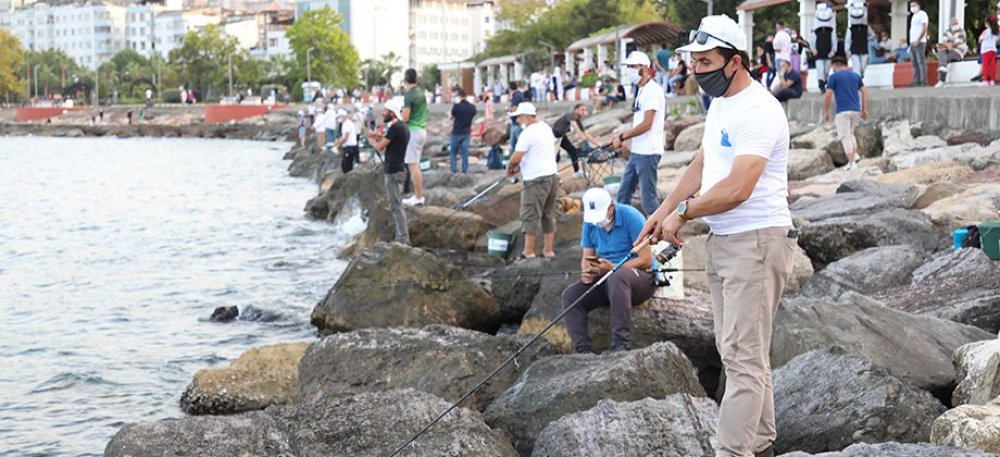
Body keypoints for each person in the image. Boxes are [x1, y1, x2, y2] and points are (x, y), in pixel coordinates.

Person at [644, 14, 796, 457]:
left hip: (757, 240)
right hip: (725, 241)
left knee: (743, 357)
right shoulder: (722, 105)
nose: (697, 70)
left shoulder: (760, 109)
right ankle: (762, 444)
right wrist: (663, 210)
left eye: (706, 61)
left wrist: (684, 215)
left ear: (735, 62)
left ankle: (731, 451)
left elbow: (738, 186)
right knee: (738, 352)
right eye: (693, 61)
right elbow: (706, 162)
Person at [561, 187, 654, 354]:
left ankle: (620, 342)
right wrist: (587, 272)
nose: (597, 222)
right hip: (608, 277)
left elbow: (646, 260)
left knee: (617, 277)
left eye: (600, 217)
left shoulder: (631, 217)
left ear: (611, 207)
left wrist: (614, 267)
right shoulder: (590, 223)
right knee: (570, 295)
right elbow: (586, 256)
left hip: (640, 278)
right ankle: (583, 350)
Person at [612, 51, 666, 216]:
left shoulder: (652, 90)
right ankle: (626, 232)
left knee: (648, 201)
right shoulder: (641, 90)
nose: (629, 70)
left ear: (644, 69)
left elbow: (647, 124)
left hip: (648, 153)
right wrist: (627, 142)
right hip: (638, 152)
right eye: (628, 67)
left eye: (632, 66)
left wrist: (622, 136)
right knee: (622, 196)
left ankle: (663, 234)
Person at [506, 102, 559, 259]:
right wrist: (520, 166)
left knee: (530, 215)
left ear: (525, 116)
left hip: (535, 179)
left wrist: (510, 168)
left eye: (518, 117)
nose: (516, 121)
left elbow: (517, 156)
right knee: (548, 214)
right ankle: (548, 251)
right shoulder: (545, 128)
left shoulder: (527, 133)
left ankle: (528, 252)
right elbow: (537, 153)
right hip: (552, 175)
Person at [366, 98, 411, 245]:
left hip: (393, 171)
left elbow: (381, 147)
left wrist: (371, 141)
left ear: (392, 113)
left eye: (385, 111)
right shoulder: (403, 127)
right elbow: (391, 140)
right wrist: (378, 136)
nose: (383, 113)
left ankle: (403, 238)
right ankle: (402, 236)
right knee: (397, 204)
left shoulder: (395, 128)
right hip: (400, 169)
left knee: (395, 206)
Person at [825, 56, 870, 170]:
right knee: (850, 133)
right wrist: (864, 109)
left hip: (842, 110)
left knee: (845, 136)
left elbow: (828, 95)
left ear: (835, 65)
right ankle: (855, 156)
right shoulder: (855, 76)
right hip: (856, 110)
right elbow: (865, 92)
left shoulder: (833, 77)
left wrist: (826, 111)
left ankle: (851, 163)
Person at [552, 103, 603, 175]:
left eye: (585, 110)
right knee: (555, 155)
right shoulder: (569, 115)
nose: (584, 112)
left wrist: (598, 144)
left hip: (562, 137)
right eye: (582, 110)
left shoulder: (578, 120)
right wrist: (582, 137)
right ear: (576, 110)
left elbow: (586, 133)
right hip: (553, 136)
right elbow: (575, 126)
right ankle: (554, 173)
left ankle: (577, 171)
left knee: (573, 151)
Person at [401, 68, 428, 206]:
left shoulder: (409, 94)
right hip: (422, 130)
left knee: (413, 166)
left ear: (405, 80)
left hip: (413, 131)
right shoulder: (421, 93)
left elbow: (405, 118)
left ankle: (418, 197)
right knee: (415, 164)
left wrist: (398, 117)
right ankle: (418, 195)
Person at [812, 1, 839, 93]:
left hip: (828, 51)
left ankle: (825, 81)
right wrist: (813, 49)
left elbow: (834, 40)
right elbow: (813, 41)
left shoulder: (831, 31)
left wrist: (833, 50)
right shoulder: (815, 31)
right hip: (818, 52)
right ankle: (821, 85)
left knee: (827, 69)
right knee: (820, 69)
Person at [449, 88, 477, 173]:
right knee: (465, 152)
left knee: (453, 151)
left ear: (459, 96)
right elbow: (473, 114)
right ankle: (465, 169)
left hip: (456, 132)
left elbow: (452, 115)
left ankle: (454, 169)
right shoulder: (472, 107)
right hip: (466, 132)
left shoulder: (457, 106)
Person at [937, 17, 969, 86]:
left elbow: (957, 43)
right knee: (941, 52)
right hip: (948, 49)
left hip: (958, 51)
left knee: (944, 58)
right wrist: (948, 46)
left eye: (956, 23)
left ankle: (941, 79)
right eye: (953, 24)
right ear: (950, 24)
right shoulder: (947, 31)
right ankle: (943, 69)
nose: (955, 25)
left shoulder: (961, 31)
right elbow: (944, 41)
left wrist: (949, 45)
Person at [910, 1, 930, 87]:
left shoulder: (922, 14)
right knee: (914, 63)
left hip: (920, 42)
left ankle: (923, 81)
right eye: (911, 6)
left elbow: (924, 27)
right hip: (912, 42)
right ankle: (916, 81)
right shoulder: (914, 16)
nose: (912, 7)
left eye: (914, 5)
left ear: (918, 6)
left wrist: (918, 39)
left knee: (921, 62)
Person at [334, 109, 359, 173]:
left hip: (350, 147)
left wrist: (338, 145)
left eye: (340, 117)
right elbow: (343, 136)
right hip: (349, 147)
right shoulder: (345, 124)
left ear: (343, 116)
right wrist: (338, 141)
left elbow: (345, 138)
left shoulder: (347, 124)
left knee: (346, 166)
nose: (339, 119)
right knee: (345, 165)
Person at [507, 81, 527, 157]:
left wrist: (509, 109)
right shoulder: (519, 95)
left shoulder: (516, 96)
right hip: (517, 123)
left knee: (516, 144)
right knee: (515, 144)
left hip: (517, 123)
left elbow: (515, 107)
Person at [980, 18, 999, 86]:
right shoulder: (996, 31)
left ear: (988, 23)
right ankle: (992, 80)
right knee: (992, 66)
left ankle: (986, 80)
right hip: (993, 49)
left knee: (986, 66)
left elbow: (980, 39)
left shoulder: (986, 31)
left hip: (985, 50)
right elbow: (997, 40)